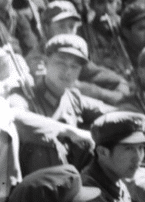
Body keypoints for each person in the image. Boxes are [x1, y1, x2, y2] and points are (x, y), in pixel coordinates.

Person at [9, 34, 114, 174]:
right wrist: (69, 131)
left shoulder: (74, 98)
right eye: (61, 63)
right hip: (36, 185)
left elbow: (114, 113)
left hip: (69, 181)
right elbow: (15, 117)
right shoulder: (26, 95)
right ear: (45, 63)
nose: (67, 71)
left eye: (74, 66)